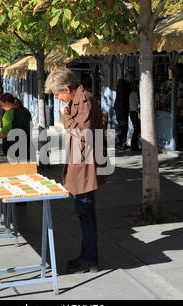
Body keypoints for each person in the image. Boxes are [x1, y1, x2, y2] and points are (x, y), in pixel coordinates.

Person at [45, 68, 107, 274]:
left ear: (67, 88)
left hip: (85, 165)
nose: (56, 97)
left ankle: (89, 259)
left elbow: (82, 134)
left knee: (86, 212)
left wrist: (64, 118)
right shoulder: (78, 100)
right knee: (84, 213)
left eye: (57, 93)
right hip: (82, 163)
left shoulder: (85, 100)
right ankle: (87, 257)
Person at [0, 93, 32, 159]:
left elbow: (5, 132)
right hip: (26, 144)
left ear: (6, 102)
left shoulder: (8, 114)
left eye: (2, 105)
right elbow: (29, 128)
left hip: (12, 147)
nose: (2, 107)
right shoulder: (26, 111)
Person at [113, 68, 135, 149]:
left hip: (123, 108)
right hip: (120, 108)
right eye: (131, 77)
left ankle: (122, 143)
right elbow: (123, 96)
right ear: (128, 76)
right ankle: (118, 143)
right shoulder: (122, 83)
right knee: (122, 125)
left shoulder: (126, 84)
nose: (132, 79)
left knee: (124, 126)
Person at [129, 80, 141, 151]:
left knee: (136, 129)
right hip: (134, 113)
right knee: (136, 129)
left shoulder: (133, 93)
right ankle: (134, 145)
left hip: (133, 113)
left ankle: (134, 145)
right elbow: (138, 102)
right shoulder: (134, 94)